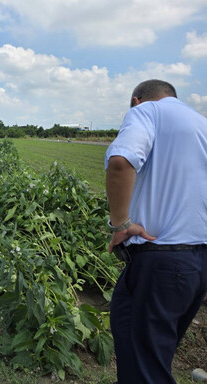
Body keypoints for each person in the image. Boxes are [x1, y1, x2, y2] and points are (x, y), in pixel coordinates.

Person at [105, 79, 207, 384]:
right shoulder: (202, 124)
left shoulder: (147, 111)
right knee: (150, 352)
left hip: (162, 259)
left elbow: (121, 162)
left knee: (145, 367)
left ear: (137, 100)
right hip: (198, 263)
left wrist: (121, 223)